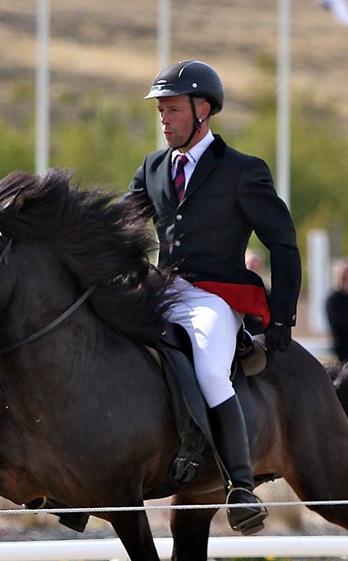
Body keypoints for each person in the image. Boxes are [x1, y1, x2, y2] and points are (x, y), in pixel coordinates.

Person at [126, 60, 302, 535]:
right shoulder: (153, 167)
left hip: (214, 297)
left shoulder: (243, 172)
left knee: (209, 370)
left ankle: (239, 486)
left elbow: (282, 244)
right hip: (161, 291)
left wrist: (281, 319)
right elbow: (121, 226)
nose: (163, 119)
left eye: (173, 109)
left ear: (203, 110)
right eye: (160, 111)